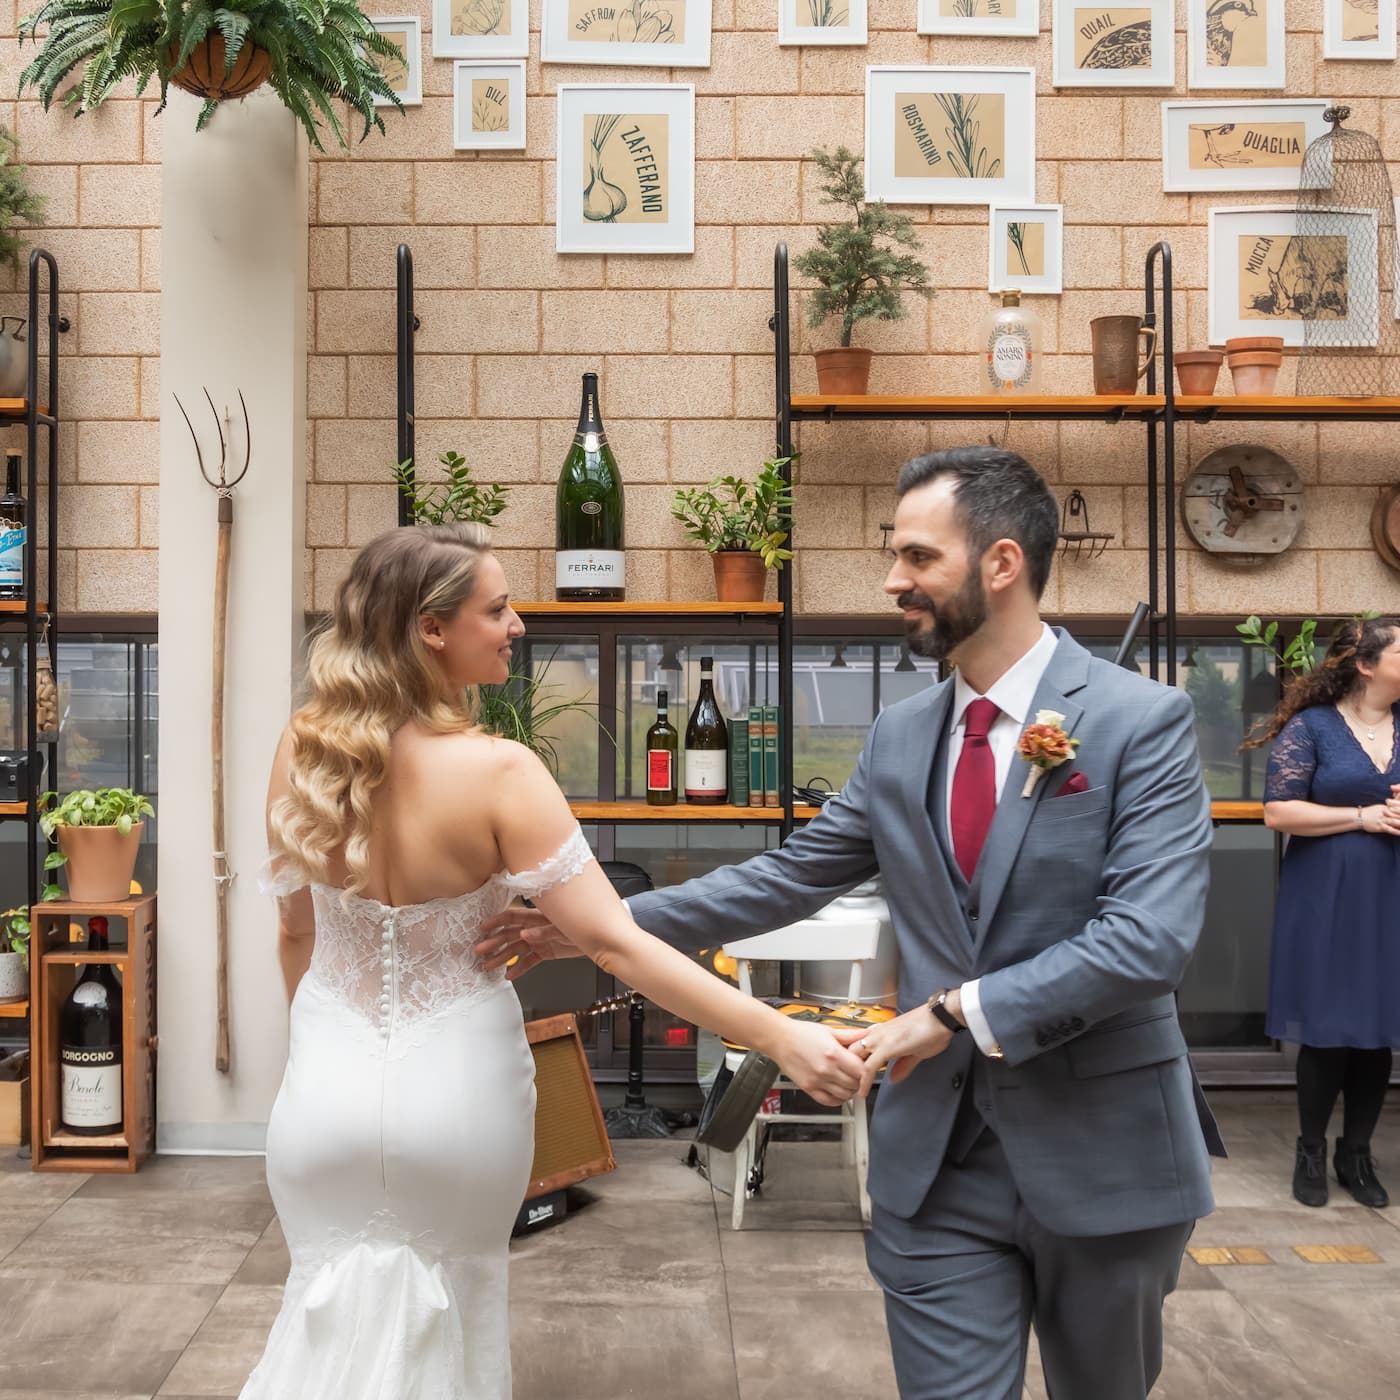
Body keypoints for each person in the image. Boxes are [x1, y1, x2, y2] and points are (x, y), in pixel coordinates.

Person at [482, 447, 1225, 1400]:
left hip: (1105, 1151)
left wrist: (952, 1013)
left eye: (918, 557)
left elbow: (1148, 939)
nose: (892, 580)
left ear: (1001, 563)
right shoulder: (901, 734)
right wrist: (593, 924)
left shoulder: (1142, 720)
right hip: (936, 1165)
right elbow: (789, 878)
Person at [241, 523, 865, 1400]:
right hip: (457, 1100)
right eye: (497, 609)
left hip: (319, 1105)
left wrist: (314, 1058)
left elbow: (295, 938)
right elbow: (617, 944)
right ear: (431, 628)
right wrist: (780, 1037)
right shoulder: (501, 772)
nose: (518, 626)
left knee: (319, 1319)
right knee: (454, 1317)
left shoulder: (306, 749)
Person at [1247, 616, 1400, 1209]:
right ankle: (1310, 1147)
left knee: (1376, 1031)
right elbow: (1279, 814)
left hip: (1389, 891)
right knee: (1328, 1028)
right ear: (1366, 665)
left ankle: (1355, 1153)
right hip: (1327, 893)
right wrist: (1361, 817)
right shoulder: (1312, 727)